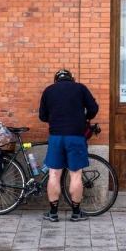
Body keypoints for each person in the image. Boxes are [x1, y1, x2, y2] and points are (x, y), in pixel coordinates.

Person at [39, 68, 99, 222]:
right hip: (76, 136)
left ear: (56, 79)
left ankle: (53, 213)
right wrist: (83, 117)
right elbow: (93, 109)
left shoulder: (48, 91)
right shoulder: (80, 88)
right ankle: (76, 213)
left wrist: (55, 118)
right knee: (76, 174)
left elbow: (42, 116)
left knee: (54, 174)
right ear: (71, 78)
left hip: (56, 136)